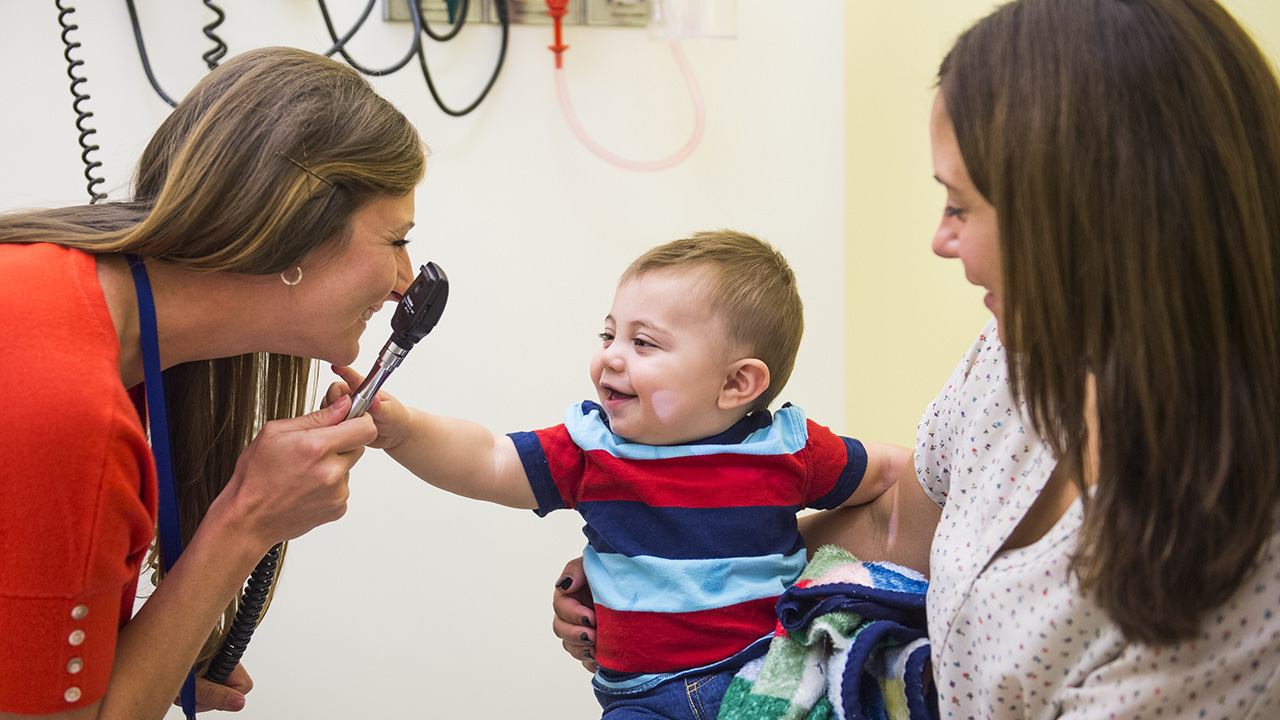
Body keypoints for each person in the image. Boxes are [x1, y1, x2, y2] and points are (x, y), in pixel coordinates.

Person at [554, 0, 1280, 717]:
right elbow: (896, 525)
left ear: (1090, 214)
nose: (940, 238)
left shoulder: (1247, 564)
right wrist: (671, 581)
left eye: (960, 207)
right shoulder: (1016, 354)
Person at [0, 46, 426, 719]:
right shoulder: (68, 408)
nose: (406, 283)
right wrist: (246, 520)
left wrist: (145, 665)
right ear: (294, 232)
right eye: (396, 239)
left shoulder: (75, 309)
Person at [330, 230, 902, 719]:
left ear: (737, 385)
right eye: (609, 335)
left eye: (643, 342)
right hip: (643, 698)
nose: (611, 356)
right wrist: (402, 431)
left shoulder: (788, 449)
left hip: (766, 670)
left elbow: (894, 474)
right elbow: (490, 458)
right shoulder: (591, 451)